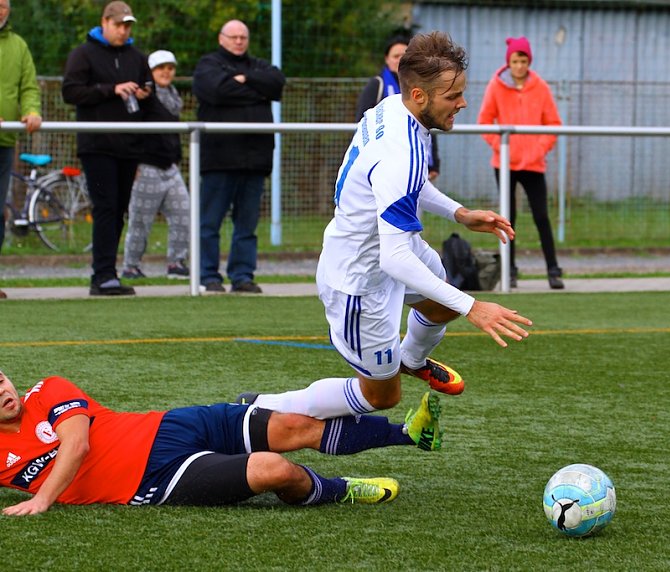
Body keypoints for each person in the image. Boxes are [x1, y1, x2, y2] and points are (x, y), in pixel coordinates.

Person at [239, 32, 532, 421]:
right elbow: (394, 255)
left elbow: (405, 184)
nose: (463, 103)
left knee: (442, 301)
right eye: (453, 96)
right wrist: (473, 307)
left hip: (391, 251)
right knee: (382, 396)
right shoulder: (402, 153)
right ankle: (262, 405)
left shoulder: (393, 108)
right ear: (419, 96)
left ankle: (410, 359)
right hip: (360, 282)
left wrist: (458, 213)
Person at [0, 369, 441, 516]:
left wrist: (42, 499)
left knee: (294, 425)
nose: (4, 389)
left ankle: (408, 435)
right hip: (158, 481)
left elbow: (76, 445)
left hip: (172, 426)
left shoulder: (48, 389)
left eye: (0, 378)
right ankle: (340, 488)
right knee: (273, 469)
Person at [62, 1, 153, 296]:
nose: (124, 31)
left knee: (118, 211)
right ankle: (102, 275)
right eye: (119, 25)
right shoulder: (83, 54)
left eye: (128, 26)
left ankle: (107, 273)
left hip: (128, 147)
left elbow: (147, 95)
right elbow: (71, 91)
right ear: (105, 22)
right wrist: (109, 89)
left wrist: (144, 93)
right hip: (97, 145)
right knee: (105, 207)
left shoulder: (137, 57)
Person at [192, 20, 285, 294]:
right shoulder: (208, 65)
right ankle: (208, 275)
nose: (238, 41)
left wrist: (246, 80)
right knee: (210, 222)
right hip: (219, 159)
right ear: (221, 39)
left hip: (255, 160)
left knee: (247, 225)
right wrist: (257, 91)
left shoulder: (258, 66)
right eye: (233, 36)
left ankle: (242, 276)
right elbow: (216, 91)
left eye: (243, 36)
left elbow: (277, 84)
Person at [477, 36, 565, 290]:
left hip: (533, 163)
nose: (519, 66)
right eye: (515, 60)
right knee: (507, 218)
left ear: (529, 62)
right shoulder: (495, 86)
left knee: (541, 215)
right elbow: (484, 123)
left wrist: (539, 149)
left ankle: (553, 270)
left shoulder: (541, 87)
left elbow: (553, 125)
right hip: (504, 163)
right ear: (509, 62)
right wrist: (500, 146)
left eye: (523, 60)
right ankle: (510, 270)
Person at [121, 50, 190, 281]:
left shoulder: (173, 96)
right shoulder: (142, 95)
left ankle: (176, 262)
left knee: (184, 213)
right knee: (140, 219)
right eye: (161, 68)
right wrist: (133, 162)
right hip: (146, 165)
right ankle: (131, 265)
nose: (166, 72)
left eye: (170, 68)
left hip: (170, 165)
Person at [0, 0, 42, 300]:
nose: (0, 10)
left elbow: (28, 86)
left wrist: (30, 111)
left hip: (4, 141)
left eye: (3, 5)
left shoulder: (18, 45)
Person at [355, 35, 440, 181]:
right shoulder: (377, 85)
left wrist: (433, 164)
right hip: (383, 163)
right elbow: (362, 123)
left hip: (415, 161)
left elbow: (427, 123)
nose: (400, 59)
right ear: (387, 59)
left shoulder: (420, 87)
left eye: (404, 55)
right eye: (396, 56)